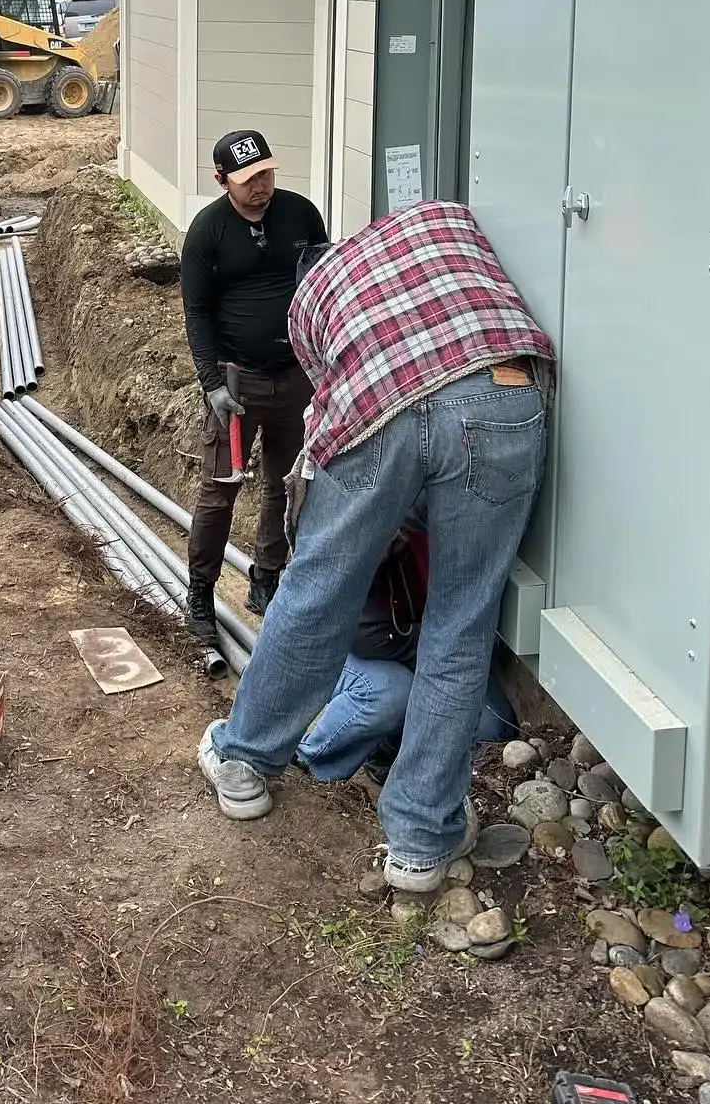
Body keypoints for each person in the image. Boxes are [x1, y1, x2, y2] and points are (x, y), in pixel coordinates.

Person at [196, 197, 554, 894]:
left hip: (379, 407)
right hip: (502, 393)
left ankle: (244, 766)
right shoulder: (436, 217)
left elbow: (329, 390)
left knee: (316, 589)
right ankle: (421, 843)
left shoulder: (313, 300)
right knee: (459, 624)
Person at [179, 130, 326, 642]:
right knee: (221, 490)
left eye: (265, 174)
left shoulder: (300, 215)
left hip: (297, 377)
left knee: (286, 484)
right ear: (221, 181)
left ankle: (267, 576)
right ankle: (200, 591)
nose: (260, 187)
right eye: (247, 180)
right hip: (237, 386)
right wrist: (211, 383)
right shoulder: (207, 232)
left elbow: (321, 283)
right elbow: (195, 311)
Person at [296, 525, 515, 788]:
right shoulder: (378, 527)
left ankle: (402, 757)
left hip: (434, 647)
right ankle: (312, 766)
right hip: (348, 646)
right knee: (389, 693)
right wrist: (440, 661)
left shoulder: (466, 530)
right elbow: (366, 636)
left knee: (493, 729)